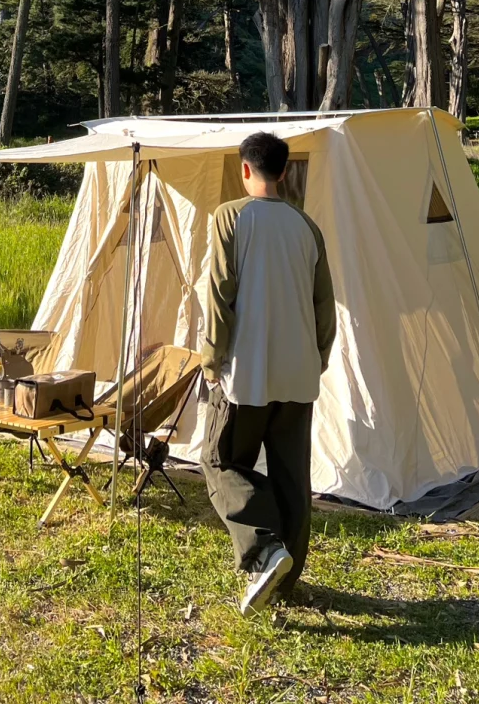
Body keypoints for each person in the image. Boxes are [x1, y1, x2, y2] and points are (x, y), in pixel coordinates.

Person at [200, 130, 337, 616]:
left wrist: (211, 359)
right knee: (291, 478)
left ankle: (262, 549)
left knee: (219, 463)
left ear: (244, 170)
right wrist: (316, 359)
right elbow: (325, 307)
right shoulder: (307, 227)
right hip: (299, 374)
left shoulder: (229, 218)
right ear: (284, 172)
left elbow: (218, 293)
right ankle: (285, 581)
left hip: (245, 374)